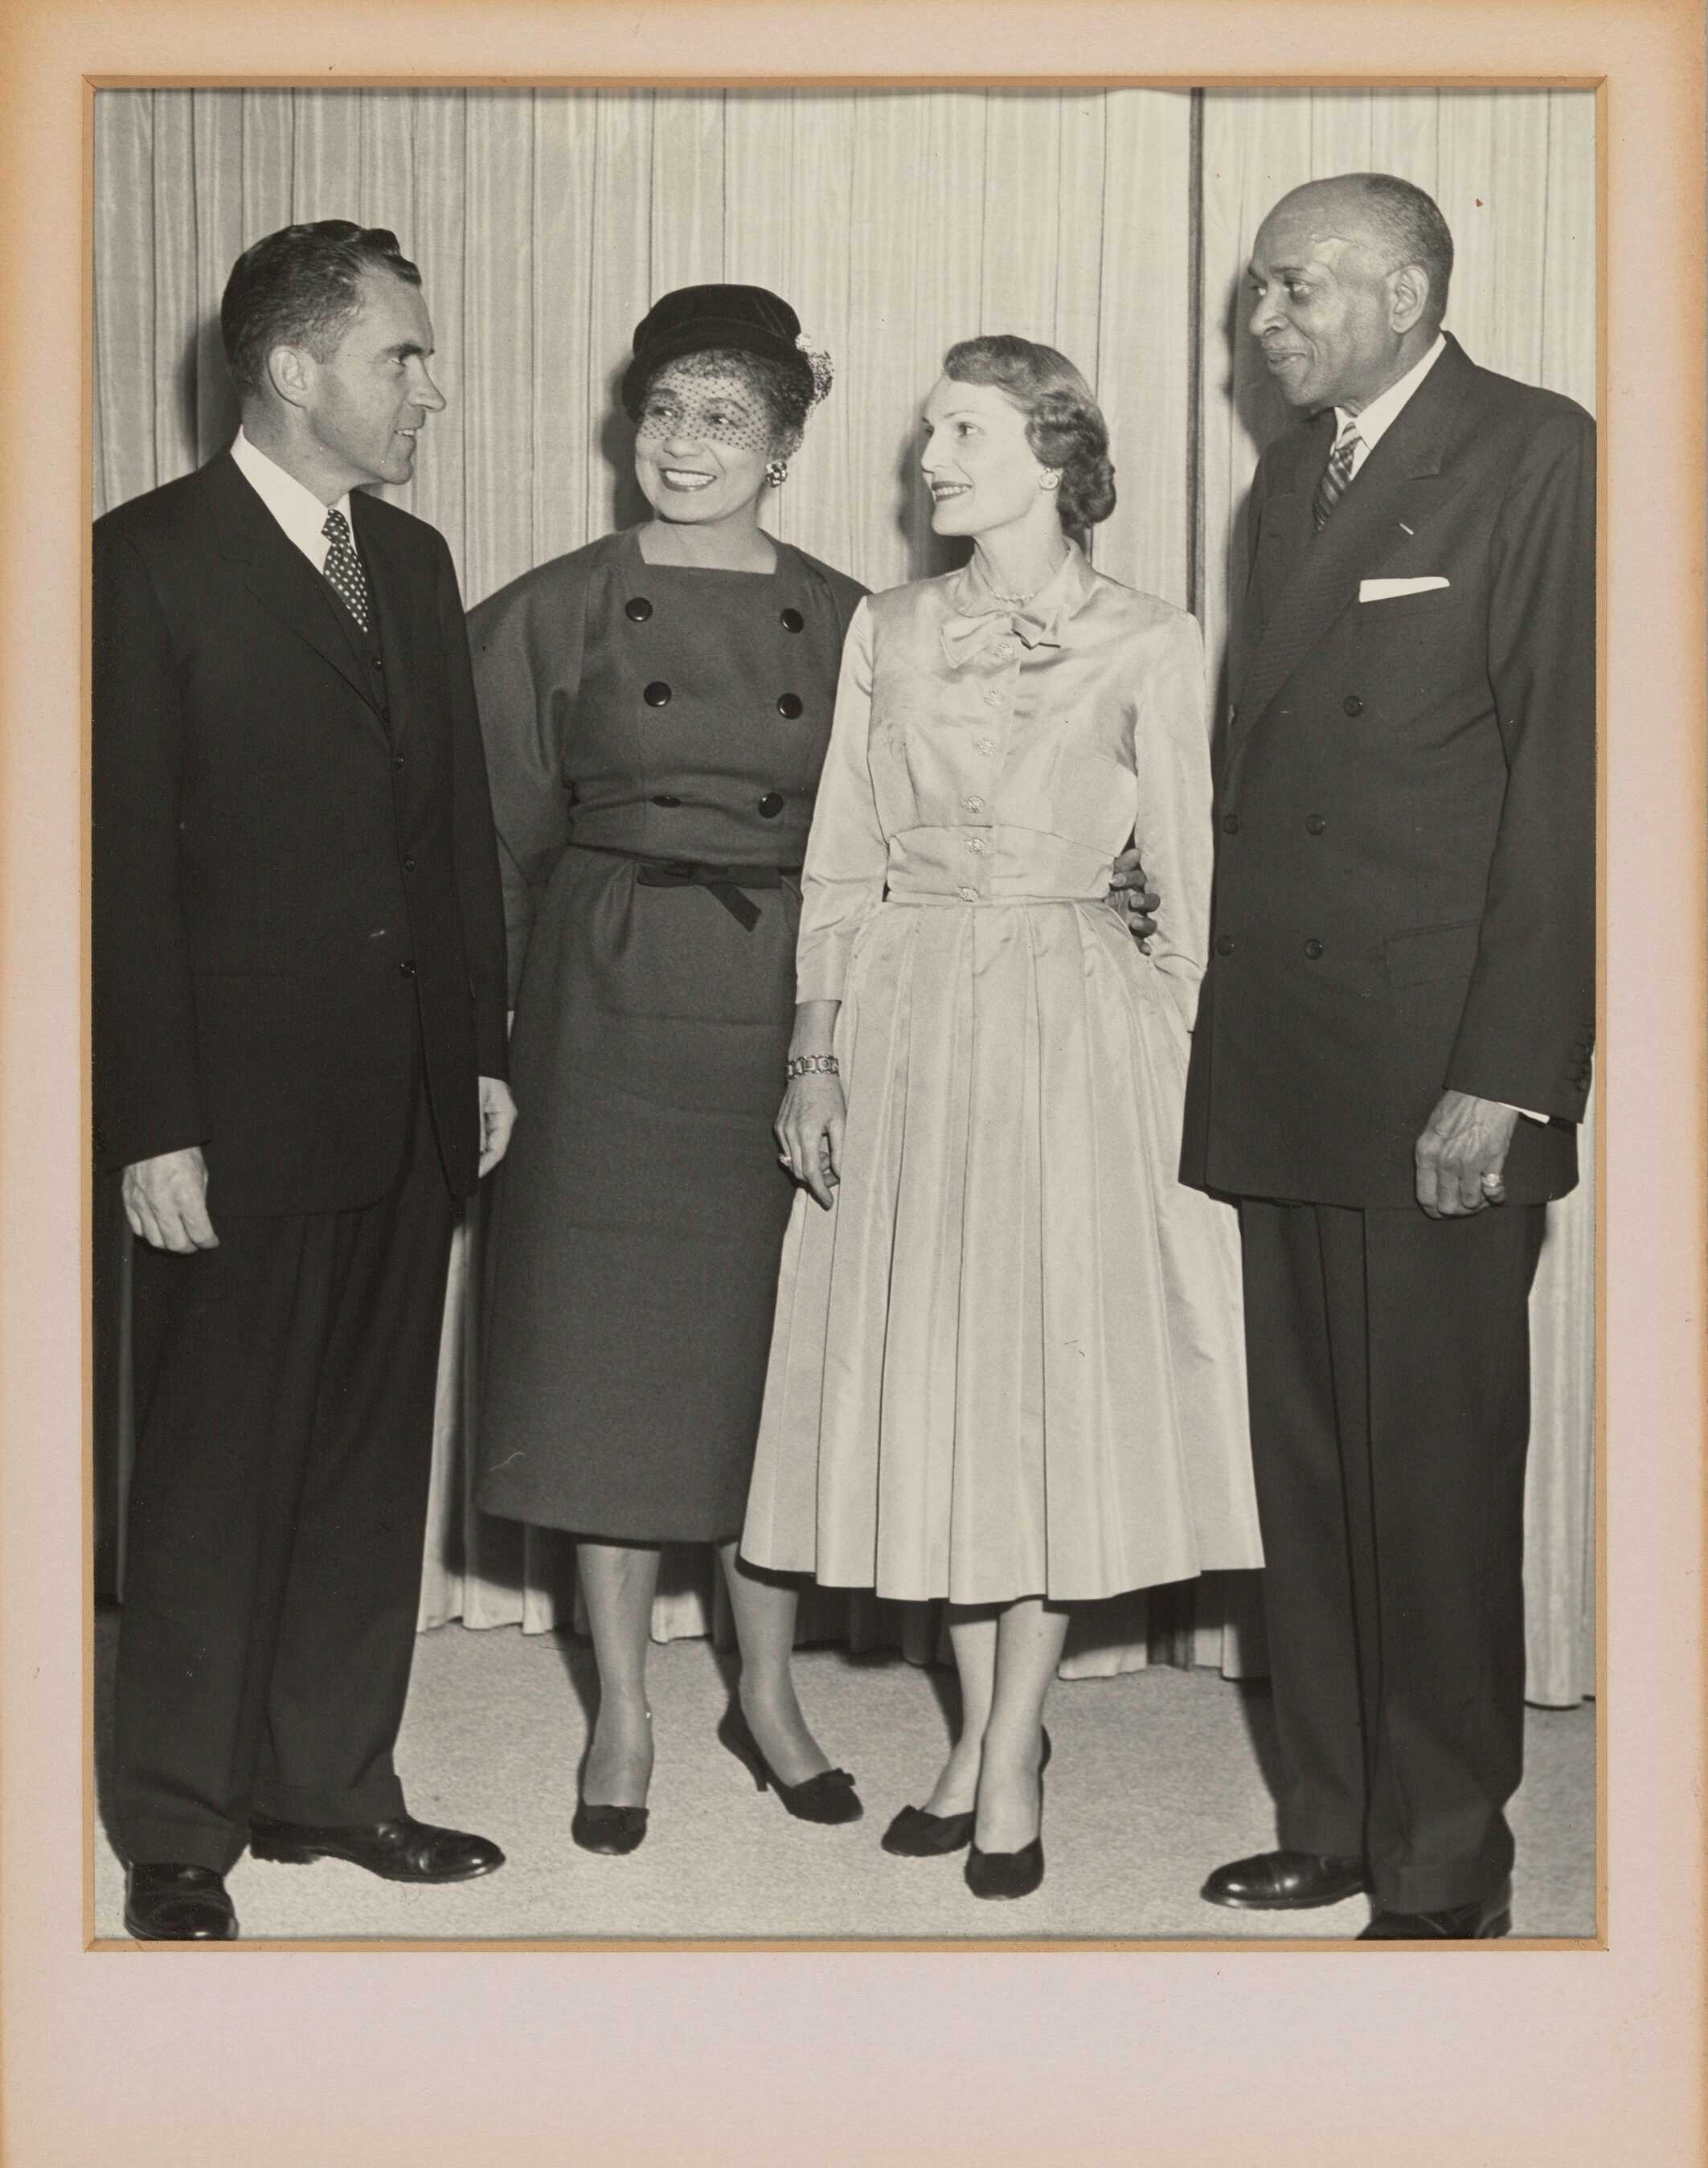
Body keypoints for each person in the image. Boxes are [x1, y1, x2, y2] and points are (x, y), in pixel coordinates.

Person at [743, 335, 1264, 1901]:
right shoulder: (887, 630)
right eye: (924, 433)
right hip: (902, 1023)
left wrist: (1160, 1072)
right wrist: (813, 1052)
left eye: (960, 430)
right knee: (940, 1390)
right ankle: (980, 1733)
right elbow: (837, 855)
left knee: (1034, 1394)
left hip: (1068, 1034)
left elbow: (1192, 891)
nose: (927, 458)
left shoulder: (1153, 642)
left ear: (1052, 452)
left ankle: (1015, 1742)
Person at [1181, 174, 1595, 1938]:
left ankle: (1446, 1861)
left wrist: (1503, 1077)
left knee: (1426, 1479)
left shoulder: (1534, 451)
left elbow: (1576, 783)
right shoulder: (1294, 475)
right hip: (1291, 1048)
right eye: (1256, 295)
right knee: (1316, 1466)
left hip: (1439, 1069)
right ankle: (1337, 1813)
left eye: (1290, 291)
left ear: (1408, 287)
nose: (1259, 323)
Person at [93, 221, 516, 1941]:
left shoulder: (407, 561)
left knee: (362, 1458)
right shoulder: (139, 561)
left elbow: (452, 836)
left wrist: (476, 1055)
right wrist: (148, 1122)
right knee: (208, 1466)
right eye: (401, 355)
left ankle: (331, 1780)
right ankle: (181, 1826)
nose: (430, 384)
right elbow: (108, 867)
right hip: (230, 1113)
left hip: (401, 1102)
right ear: (291, 367)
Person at [469, 286, 869, 1854]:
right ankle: (624, 1705)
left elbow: (905, 837)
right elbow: (483, 845)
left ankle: (763, 1689)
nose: (682, 443)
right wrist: (484, 1047)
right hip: (601, 1001)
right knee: (602, 1367)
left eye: (721, 417)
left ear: (782, 442)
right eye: (661, 412)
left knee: (765, 1361)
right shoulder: (552, 605)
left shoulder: (853, 620)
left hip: (782, 1013)